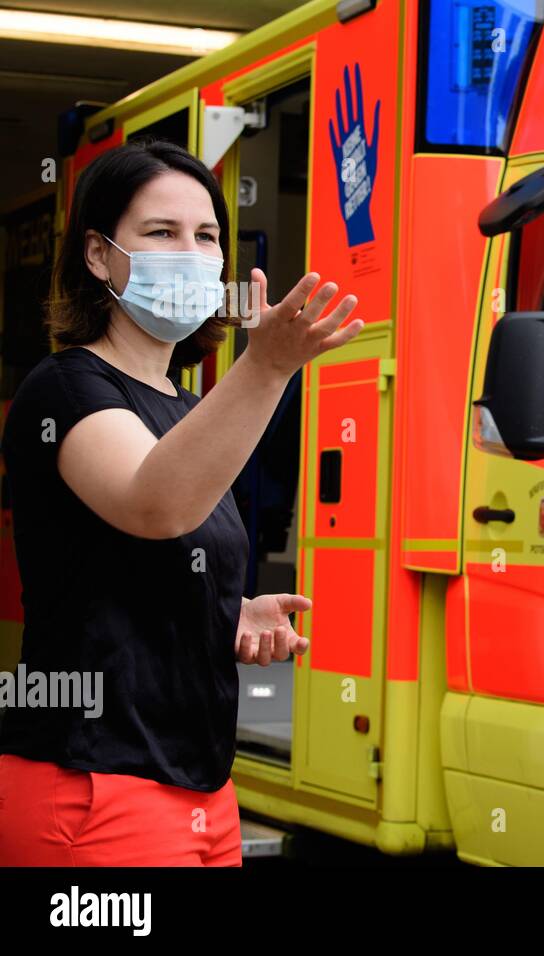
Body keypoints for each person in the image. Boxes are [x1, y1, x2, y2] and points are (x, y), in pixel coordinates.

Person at [0, 139, 363, 865]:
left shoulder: (185, 405)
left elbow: (138, 563)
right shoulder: (65, 389)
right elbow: (154, 506)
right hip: (95, 787)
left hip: (201, 790)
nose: (191, 254)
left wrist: (228, 612)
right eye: (161, 232)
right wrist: (267, 367)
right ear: (98, 256)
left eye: (206, 236)